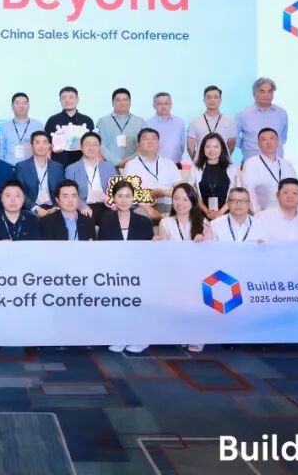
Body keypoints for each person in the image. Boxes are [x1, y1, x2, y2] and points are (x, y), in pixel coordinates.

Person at [98, 180, 152, 354]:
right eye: (119, 196)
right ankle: (119, 336)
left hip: (138, 273)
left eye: (128, 196)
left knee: (137, 304)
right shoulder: (106, 219)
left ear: (133, 198)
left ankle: (140, 338)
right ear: (113, 198)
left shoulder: (144, 221)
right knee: (117, 305)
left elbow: (149, 252)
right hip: (114, 272)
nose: (123, 200)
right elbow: (102, 248)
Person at [156, 183, 209, 352]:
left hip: (197, 272)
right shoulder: (165, 222)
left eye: (185, 199)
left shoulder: (203, 223)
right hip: (174, 271)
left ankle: (197, 337)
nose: (180, 203)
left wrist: (204, 240)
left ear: (193, 201)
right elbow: (163, 253)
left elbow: (211, 253)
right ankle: (182, 333)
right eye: (176, 199)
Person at [122, 128, 179, 216]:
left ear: (159, 144)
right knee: (141, 215)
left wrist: (164, 192)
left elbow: (181, 188)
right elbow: (131, 193)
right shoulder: (131, 165)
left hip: (170, 204)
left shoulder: (169, 163)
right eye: (145, 138)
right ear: (138, 145)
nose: (150, 141)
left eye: (154, 138)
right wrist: (149, 210)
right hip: (144, 207)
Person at [239, 127, 298, 212]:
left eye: (272, 138)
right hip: (263, 212)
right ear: (258, 144)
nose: (268, 142)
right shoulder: (251, 163)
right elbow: (249, 191)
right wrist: (258, 214)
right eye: (264, 139)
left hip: (287, 211)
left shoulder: (287, 165)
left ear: (278, 142)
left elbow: (297, 189)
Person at [65, 132, 115, 222]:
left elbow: (116, 190)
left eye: (95, 145)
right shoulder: (71, 169)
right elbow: (70, 193)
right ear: (81, 147)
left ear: (99, 147)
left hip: (107, 206)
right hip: (83, 206)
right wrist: (82, 207)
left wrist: (114, 204)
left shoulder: (109, 167)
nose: (91, 148)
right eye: (87, 144)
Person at [189, 133, 240, 220]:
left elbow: (236, 194)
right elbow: (192, 193)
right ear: (202, 148)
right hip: (202, 215)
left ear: (222, 148)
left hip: (226, 214)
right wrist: (207, 212)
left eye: (216, 147)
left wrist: (220, 213)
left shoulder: (231, 168)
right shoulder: (195, 168)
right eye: (208, 147)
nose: (212, 150)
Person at [235, 77, 288, 161]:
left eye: (269, 92)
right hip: (251, 162)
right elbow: (235, 138)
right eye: (262, 91)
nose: (266, 95)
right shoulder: (243, 115)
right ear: (254, 93)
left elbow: (283, 138)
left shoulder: (282, 113)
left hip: (276, 162)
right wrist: (248, 147)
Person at [15, 131, 65, 216]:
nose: (41, 146)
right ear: (31, 146)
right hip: (30, 210)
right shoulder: (22, 167)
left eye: (45, 142)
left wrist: (56, 208)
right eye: (37, 142)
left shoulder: (58, 167)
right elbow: (19, 192)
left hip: (54, 209)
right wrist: (36, 209)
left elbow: (63, 191)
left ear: (49, 146)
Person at [96, 88, 146, 171]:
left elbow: (144, 145)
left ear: (130, 102)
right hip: (109, 165)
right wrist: (116, 162)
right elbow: (101, 144)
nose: (122, 103)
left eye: (125, 100)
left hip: (135, 165)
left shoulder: (140, 121)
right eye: (118, 100)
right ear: (112, 103)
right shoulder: (103, 121)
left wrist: (129, 161)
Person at [45, 86, 95, 167]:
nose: (67, 100)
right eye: (64, 98)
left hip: (83, 164)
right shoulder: (52, 120)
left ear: (77, 99)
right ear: (60, 101)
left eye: (71, 97)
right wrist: (54, 147)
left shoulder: (87, 120)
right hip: (58, 164)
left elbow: (93, 143)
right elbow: (45, 143)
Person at [257, 178, 298, 242]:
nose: (290, 196)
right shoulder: (263, 217)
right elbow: (257, 244)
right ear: (277, 195)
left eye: (294, 193)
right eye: (285, 192)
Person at [187, 85, 237, 159]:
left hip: (222, 163)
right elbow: (190, 147)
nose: (212, 100)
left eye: (216, 97)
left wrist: (224, 159)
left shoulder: (229, 121)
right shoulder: (194, 122)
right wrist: (197, 161)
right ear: (204, 100)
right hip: (202, 163)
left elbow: (232, 144)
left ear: (220, 100)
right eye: (209, 97)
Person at [0, 92, 44, 165]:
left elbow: (43, 149)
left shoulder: (38, 126)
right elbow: (1, 151)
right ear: (12, 106)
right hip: (10, 167)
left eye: (24, 103)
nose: (21, 106)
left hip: (31, 167)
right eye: (17, 103)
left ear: (29, 106)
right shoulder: (5, 126)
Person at [147, 92, 186, 164]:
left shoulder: (180, 122)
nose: (163, 106)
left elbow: (182, 145)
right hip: (155, 164)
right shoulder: (148, 124)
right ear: (154, 106)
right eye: (160, 104)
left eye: (166, 103)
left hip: (175, 164)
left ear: (171, 104)